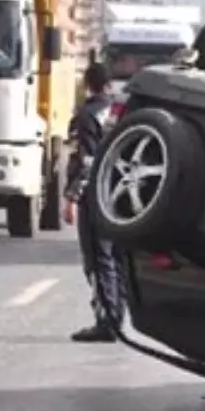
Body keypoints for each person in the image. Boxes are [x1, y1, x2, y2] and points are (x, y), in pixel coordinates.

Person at [65, 63, 123, 343]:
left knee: (97, 260)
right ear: (109, 83)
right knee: (113, 258)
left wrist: (72, 196)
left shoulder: (86, 115)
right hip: (119, 195)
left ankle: (106, 320)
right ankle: (116, 316)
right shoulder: (119, 112)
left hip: (94, 195)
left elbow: (85, 160)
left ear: (87, 83)